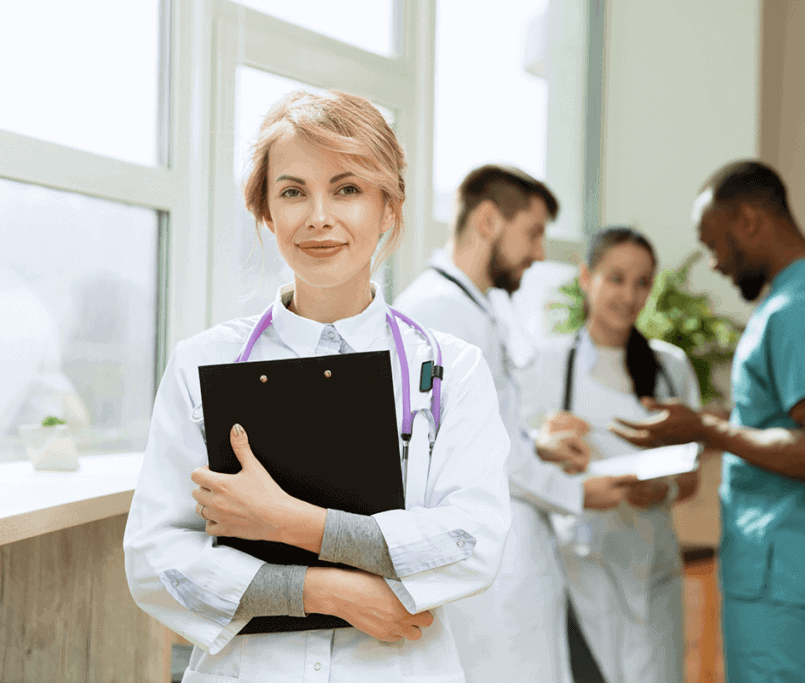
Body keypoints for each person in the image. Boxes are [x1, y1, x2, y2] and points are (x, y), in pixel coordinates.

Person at [123, 91, 513, 683]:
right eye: (292, 191)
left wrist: (287, 521)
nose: (318, 216)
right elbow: (156, 559)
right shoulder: (203, 363)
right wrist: (324, 590)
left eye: (348, 188)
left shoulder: (450, 369)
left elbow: (471, 540)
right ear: (266, 212)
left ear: (389, 207)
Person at [612, 160, 805, 683]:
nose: (716, 264)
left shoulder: (793, 309)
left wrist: (707, 431)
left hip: (779, 582)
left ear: (748, 219)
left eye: (715, 243)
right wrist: (719, 421)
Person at [395, 165, 636, 683]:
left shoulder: (473, 306)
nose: (540, 252)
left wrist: (541, 443)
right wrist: (579, 493)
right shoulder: (440, 311)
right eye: (533, 231)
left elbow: (484, 428)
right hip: (487, 576)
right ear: (487, 221)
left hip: (507, 563)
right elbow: (480, 455)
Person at [524, 227, 701, 683]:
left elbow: (692, 477)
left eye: (642, 282)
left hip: (651, 564)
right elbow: (520, 466)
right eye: (616, 278)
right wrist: (548, 445)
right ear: (586, 277)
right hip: (582, 565)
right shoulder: (545, 364)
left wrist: (660, 488)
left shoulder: (671, 367)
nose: (630, 294)